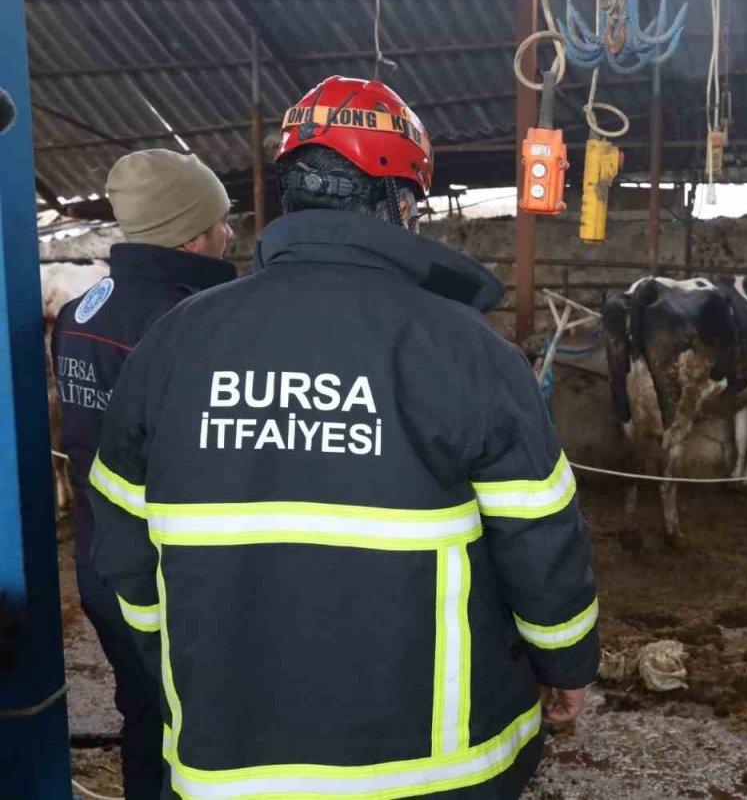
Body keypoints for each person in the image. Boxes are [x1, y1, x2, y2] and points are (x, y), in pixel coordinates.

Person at [88, 76, 599, 800]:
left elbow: (123, 547)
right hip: (434, 771)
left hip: (229, 762)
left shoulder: (173, 345)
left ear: (293, 194)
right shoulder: (467, 350)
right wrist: (567, 661)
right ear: (399, 203)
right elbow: (542, 541)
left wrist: (175, 663)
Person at [52, 149, 237, 799]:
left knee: (143, 712)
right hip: (172, 575)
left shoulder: (80, 315)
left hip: (103, 566)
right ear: (191, 233)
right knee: (200, 729)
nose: (230, 232)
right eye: (220, 219)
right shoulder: (193, 323)